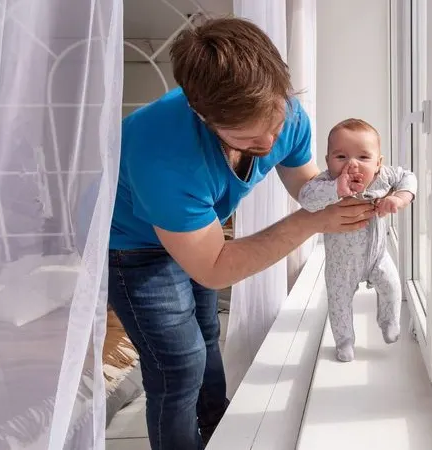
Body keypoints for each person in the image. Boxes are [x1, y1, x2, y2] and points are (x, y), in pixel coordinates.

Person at [108, 18, 375, 450]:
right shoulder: (161, 153)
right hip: (134, 247)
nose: (269, 141)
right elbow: (215, 268)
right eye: (249, 138)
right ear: (203, 117)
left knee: (207, 334)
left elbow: (305, 186)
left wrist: (342, 187)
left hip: (197, 231)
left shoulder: (287, 112)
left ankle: (217, 429)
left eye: (275, 124)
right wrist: (310, 222)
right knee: (178, 366)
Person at [298, 119, 416, 362]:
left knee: (392, 286)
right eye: (341, 157)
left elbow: (408, 176)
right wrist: (336, 189)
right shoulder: (325, 183)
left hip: (377, 257)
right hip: (341, 265)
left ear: (378, 163)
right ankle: (344, 341)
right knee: (339, 303)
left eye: (363, 157)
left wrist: (400, 198)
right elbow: (306, 198)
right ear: (328, 160)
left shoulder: (384, 177)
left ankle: (388, 320)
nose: (352, 164)